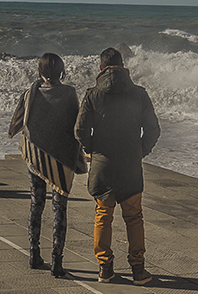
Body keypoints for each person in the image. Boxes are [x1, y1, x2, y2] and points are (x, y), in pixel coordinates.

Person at [76, 48, 160, 285]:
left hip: (102, 165)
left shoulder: (93, 94)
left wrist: (93, 149)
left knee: (103, 214)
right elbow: (153, 129)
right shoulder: (139, 94)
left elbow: (80, 130)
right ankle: (138, 270)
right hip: (130, 165)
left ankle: (105, 268)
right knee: (134, 217)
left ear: (101, 69)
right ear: (123, 66)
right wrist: (141, 150)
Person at [9, 53, 85, 278]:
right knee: (59, 209)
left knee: (36, 204)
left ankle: (33, 254)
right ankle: (57, 261)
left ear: (40, 71)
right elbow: (76, 126)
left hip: (35, 158)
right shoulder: (69, 94)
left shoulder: (30, 94)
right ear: (61, 71)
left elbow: (17, 123)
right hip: (61, 161)